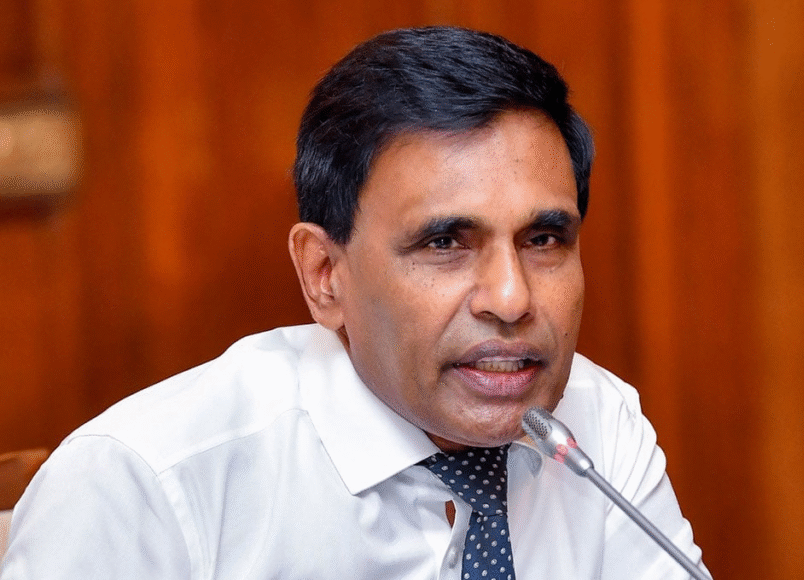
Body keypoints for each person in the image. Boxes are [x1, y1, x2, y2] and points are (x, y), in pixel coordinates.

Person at [0, 26, 708, 579]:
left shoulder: (594, 426)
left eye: (544, 239)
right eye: (445, 243)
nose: (510, 297)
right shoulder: (148, 483)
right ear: (323, 274)